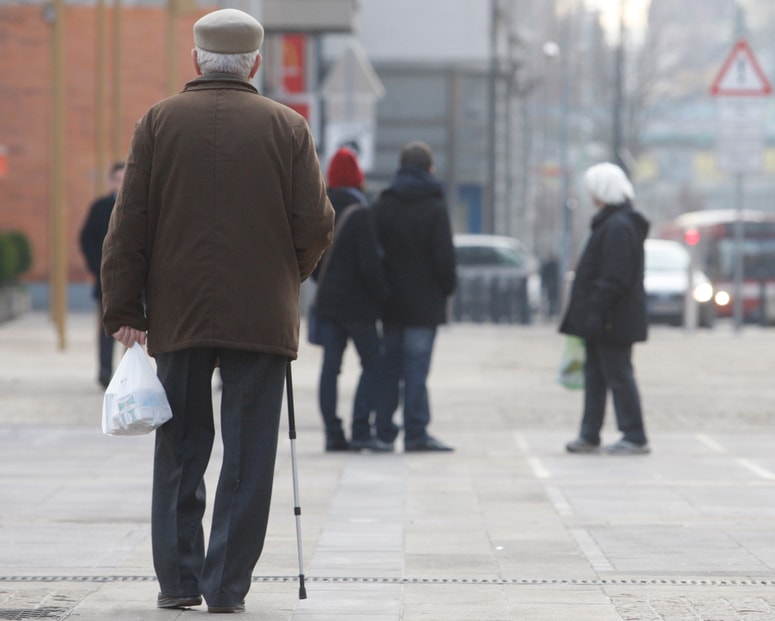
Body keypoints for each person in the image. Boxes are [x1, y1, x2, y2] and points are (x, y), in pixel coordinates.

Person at [100, 8, 334, 614]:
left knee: (180, 448)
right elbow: (315, 224)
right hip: (262, 318)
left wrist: (126, 307)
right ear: (254, 63)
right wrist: (288, 277)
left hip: (175, 315)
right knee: (250, 452)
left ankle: (178, 583)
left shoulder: (158, 121)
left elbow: (128, 224)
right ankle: (226, 588)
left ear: (198, 60)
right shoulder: (289, 127)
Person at [560, 162, 650, 456]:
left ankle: (634, 434)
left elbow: (614, 278)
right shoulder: (614, 223)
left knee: (618, 375)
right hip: (605, 318)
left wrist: (595, 311)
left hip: (612, 319)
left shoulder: (618, 226)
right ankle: (589, 433)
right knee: (596, 376)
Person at [372, 141, 457, 452]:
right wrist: (446, 289)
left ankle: (383, 430)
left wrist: (380, 290)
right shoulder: (435, 206)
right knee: (416, 370)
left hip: (391, 303)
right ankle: (416, 432)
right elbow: (444, 257)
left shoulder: (384, 204)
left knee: (389, 369)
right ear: (429, 169)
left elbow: (372, 255)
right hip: (425, 304)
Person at [313, 147, 390, 452]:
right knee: (373, 364)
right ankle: (361, 428)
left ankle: (333, 433)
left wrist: (327, 283)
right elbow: (370, 265)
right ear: (358, 177)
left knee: (330, 368)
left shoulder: (321, 209)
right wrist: (383, 295)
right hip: (359, 307)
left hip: (329, 304)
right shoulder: (361, 212)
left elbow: (313, 260)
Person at [79, 161, 125, 388]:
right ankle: (105, 371)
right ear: (111, 181)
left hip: (134, 282)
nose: (120, 183)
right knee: (107, 328)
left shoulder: (141, 206)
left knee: (132, 329)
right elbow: (86, 238)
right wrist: (96, 265)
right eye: (117, 179)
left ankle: (128, 375)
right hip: (105, 279)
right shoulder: (100, 207)